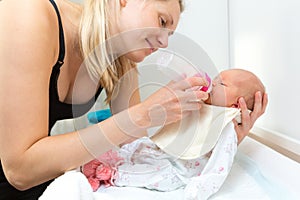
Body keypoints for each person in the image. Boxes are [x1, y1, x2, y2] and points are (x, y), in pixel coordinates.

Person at [0, 0, 267, 199]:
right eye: (162, 22)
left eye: (170, 35)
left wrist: (221, 135)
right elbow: (19, 171)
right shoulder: (29, 16)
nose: (163, 42)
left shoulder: (122, 60)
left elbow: (142, 149)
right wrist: (141, 115)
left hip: (40, 183)